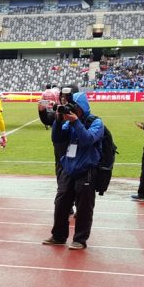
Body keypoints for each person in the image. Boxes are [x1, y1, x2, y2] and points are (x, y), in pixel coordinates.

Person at [43, 90, 103, 250]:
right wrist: (57, 120)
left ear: (82, 107)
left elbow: (87, 140)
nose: (72, 111)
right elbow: (57, 139)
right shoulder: (68, 122)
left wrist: (76, 122)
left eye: (75, 107)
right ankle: (58, 236)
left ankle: (80, 239)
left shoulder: (96, 123)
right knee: (61, 203)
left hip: (86, 170)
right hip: (68, 168)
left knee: (84, 207)